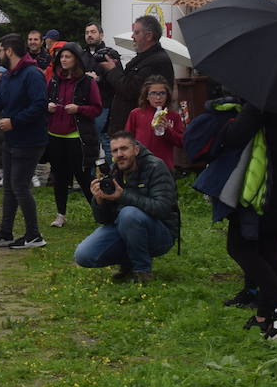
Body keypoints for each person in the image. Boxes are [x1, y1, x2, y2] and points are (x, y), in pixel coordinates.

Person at [220, 103, 277, 341]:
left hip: (264, 184)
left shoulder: (263, 99)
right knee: (269, 244)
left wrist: (230, 120)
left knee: (239, 246)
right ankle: (267, 314)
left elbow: (235, 137)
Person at [73, 131, 179, 283]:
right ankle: (128, 264)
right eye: (115, 151)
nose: (119, 154)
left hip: (161, 233)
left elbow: (163, 208)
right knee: (84, 255)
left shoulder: (155, 167)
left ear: (136, 150)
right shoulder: (113, 171)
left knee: (129, 214)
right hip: (127, 228)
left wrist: (122, 196)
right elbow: (104, 220)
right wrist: (99, 200)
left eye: (124, 149)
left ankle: (143, 272)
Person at [0, 33, 49, 249]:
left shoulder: (32, 75)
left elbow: (39, 105)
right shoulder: (8, 76)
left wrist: (14, 121)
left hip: (30, 139)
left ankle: (34, 235)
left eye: (1, 50)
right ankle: (6, 232)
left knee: (20, 186)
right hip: (11, 140)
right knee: (9, 187)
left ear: (9, 51)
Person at [45, 43, 102, 228]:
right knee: (59, 177)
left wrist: (79, 109)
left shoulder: (87, 82)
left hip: (76, 136)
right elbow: (43, 101)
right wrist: (48, 107)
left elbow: (97, 109)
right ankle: (60, 214)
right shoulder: (54, 81)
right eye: (61, 57)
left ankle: (100, 212)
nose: (63, 60)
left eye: (67, 57)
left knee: (84, 176)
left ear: (76, 59)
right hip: (55, 134)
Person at [98, 15, 175, 134]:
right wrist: (116, 68)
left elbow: (130, 90)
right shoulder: (146, 58)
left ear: (149, 35)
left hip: (139, 130)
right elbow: (127, 82)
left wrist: (113, 70)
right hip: (129, 126)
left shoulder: (157, 62)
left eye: (136, 32)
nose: (132, 36)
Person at [126, 76, 184, 172]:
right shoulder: (136, 114)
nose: (158, 97)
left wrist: (168, 130)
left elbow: (181, 142)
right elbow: (127, 140)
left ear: (167, 95)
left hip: (164, 166)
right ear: (147, 96)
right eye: (153, 93)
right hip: (140, 166)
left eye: (162, 93)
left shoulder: (173, 116)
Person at [84, 20, 114, 165]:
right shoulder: (81, 56)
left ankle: (114, 176)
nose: (90, 35)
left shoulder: (109, 54)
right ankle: (88, 179)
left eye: (93, 32)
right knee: (88, 142)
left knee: (104, 140)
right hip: (85, 105)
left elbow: (116, 79)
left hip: (103, 104)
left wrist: (98, 79)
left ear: (101, 35)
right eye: (87, 32)